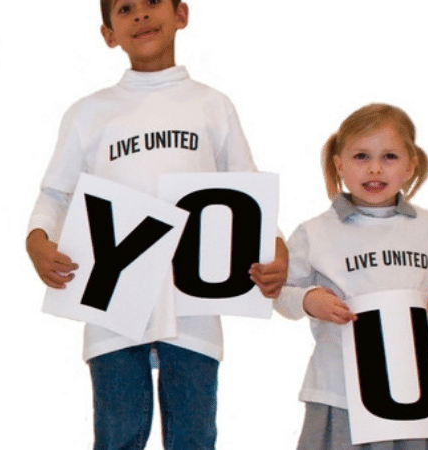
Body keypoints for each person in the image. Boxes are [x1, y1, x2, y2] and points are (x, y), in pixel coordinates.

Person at [22, 1, 283, 448]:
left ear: (182, 14)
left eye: (152, 3)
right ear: (108, 33)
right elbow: (56, 195)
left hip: (193, 306)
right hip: (113, 305)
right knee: (118, 433)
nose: (141, 16)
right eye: (125, 8)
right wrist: (37, 239)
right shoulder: (89, 114)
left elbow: (246, 192)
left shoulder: (213, 106)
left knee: (193, 436)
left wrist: (274, 247)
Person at [276, 103, 428, 450]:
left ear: (412, 165)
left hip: (412, 395)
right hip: (341, 394)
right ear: (340, 164)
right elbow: (279, 292)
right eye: (361, 156)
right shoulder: (316, 232)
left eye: (390, 157)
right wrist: (309, 299)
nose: (375, 169)